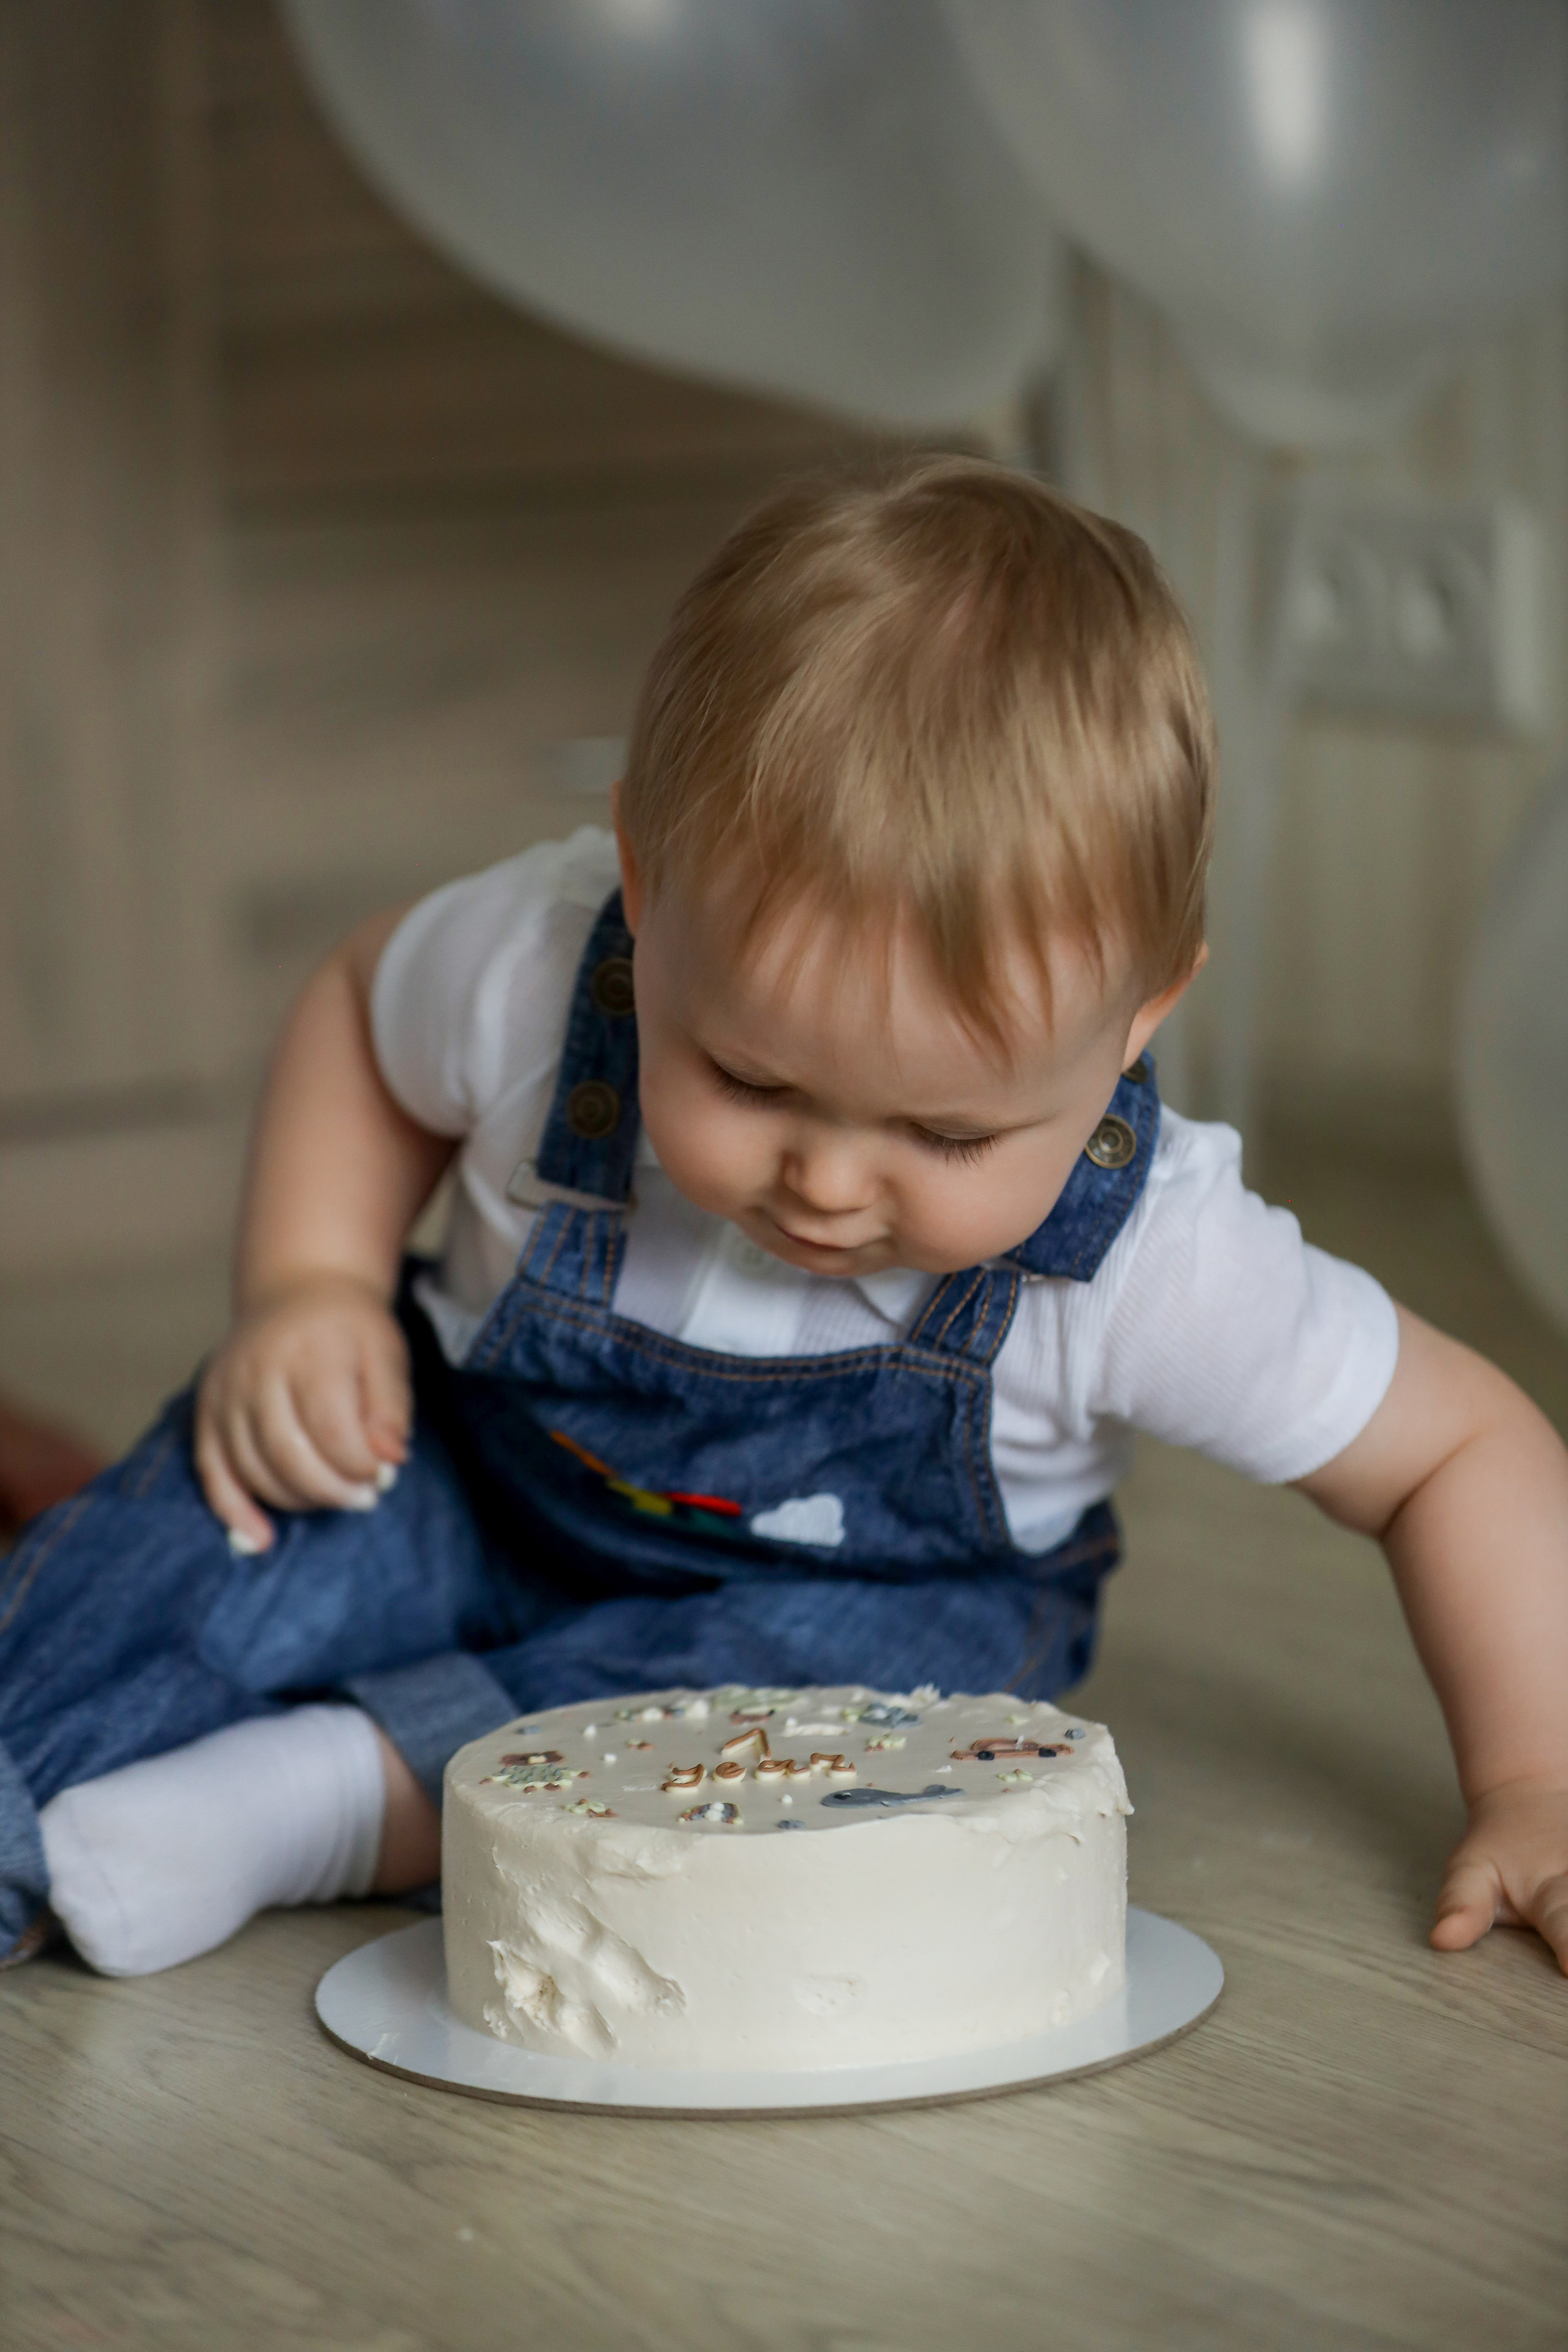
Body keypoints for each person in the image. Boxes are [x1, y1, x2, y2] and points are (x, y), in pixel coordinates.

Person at [2, 459, 1565, 1980]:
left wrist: (1533, 1781)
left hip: (842, 1612)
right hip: (459, 1477)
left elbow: (1454, 1449)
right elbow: (363, 1007)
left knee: (868, 1718)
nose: (823, 1180)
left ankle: (335, 1806)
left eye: (945, 1131)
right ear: (639, 881)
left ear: (1134, 1023)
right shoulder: (545, 970)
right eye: (745, 1077)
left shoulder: (1155, 1257)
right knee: (187, 1533)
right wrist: (310, 1284)